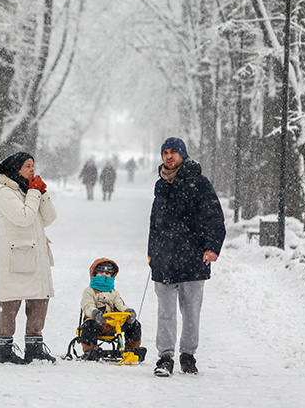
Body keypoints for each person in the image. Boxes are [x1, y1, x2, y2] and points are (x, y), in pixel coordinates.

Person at [147, 137, 225, 377]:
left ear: (183, 155)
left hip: (192, 257)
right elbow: (155, 222)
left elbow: (215, 217)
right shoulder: (161, 184)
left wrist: (212, 247)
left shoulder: (199, 183)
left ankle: (188, 356)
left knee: (191, 310)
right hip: (164, 259)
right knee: (165, 312)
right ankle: (165, 358)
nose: (169, 156)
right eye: (165, 152)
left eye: (173, 152)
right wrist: (152, 252)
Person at [0, 151, 58, 364]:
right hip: (15, 255)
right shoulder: (3, 192)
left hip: (35, 253)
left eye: (33, 165)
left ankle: (34, 347)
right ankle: (3, 349)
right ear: (15, 168)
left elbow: (49, 218)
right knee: (11, 301)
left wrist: (42, 193)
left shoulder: (27, 189)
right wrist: (34, 193)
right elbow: (24, 217)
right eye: (28, 166)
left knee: (39, 299)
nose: (32, 170)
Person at [78, 258, 144, 361]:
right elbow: (87, 306)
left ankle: (132, 349)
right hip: (98, 322)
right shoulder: (89, 291)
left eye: (107, 273)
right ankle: (90, 350)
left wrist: (128, 312)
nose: (104, 275)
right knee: (89, 325)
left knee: (134, 325)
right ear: (94, 274)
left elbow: (120, 305)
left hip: (114, 323)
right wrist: (95, 313)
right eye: (100, 272)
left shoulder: (114, 293)